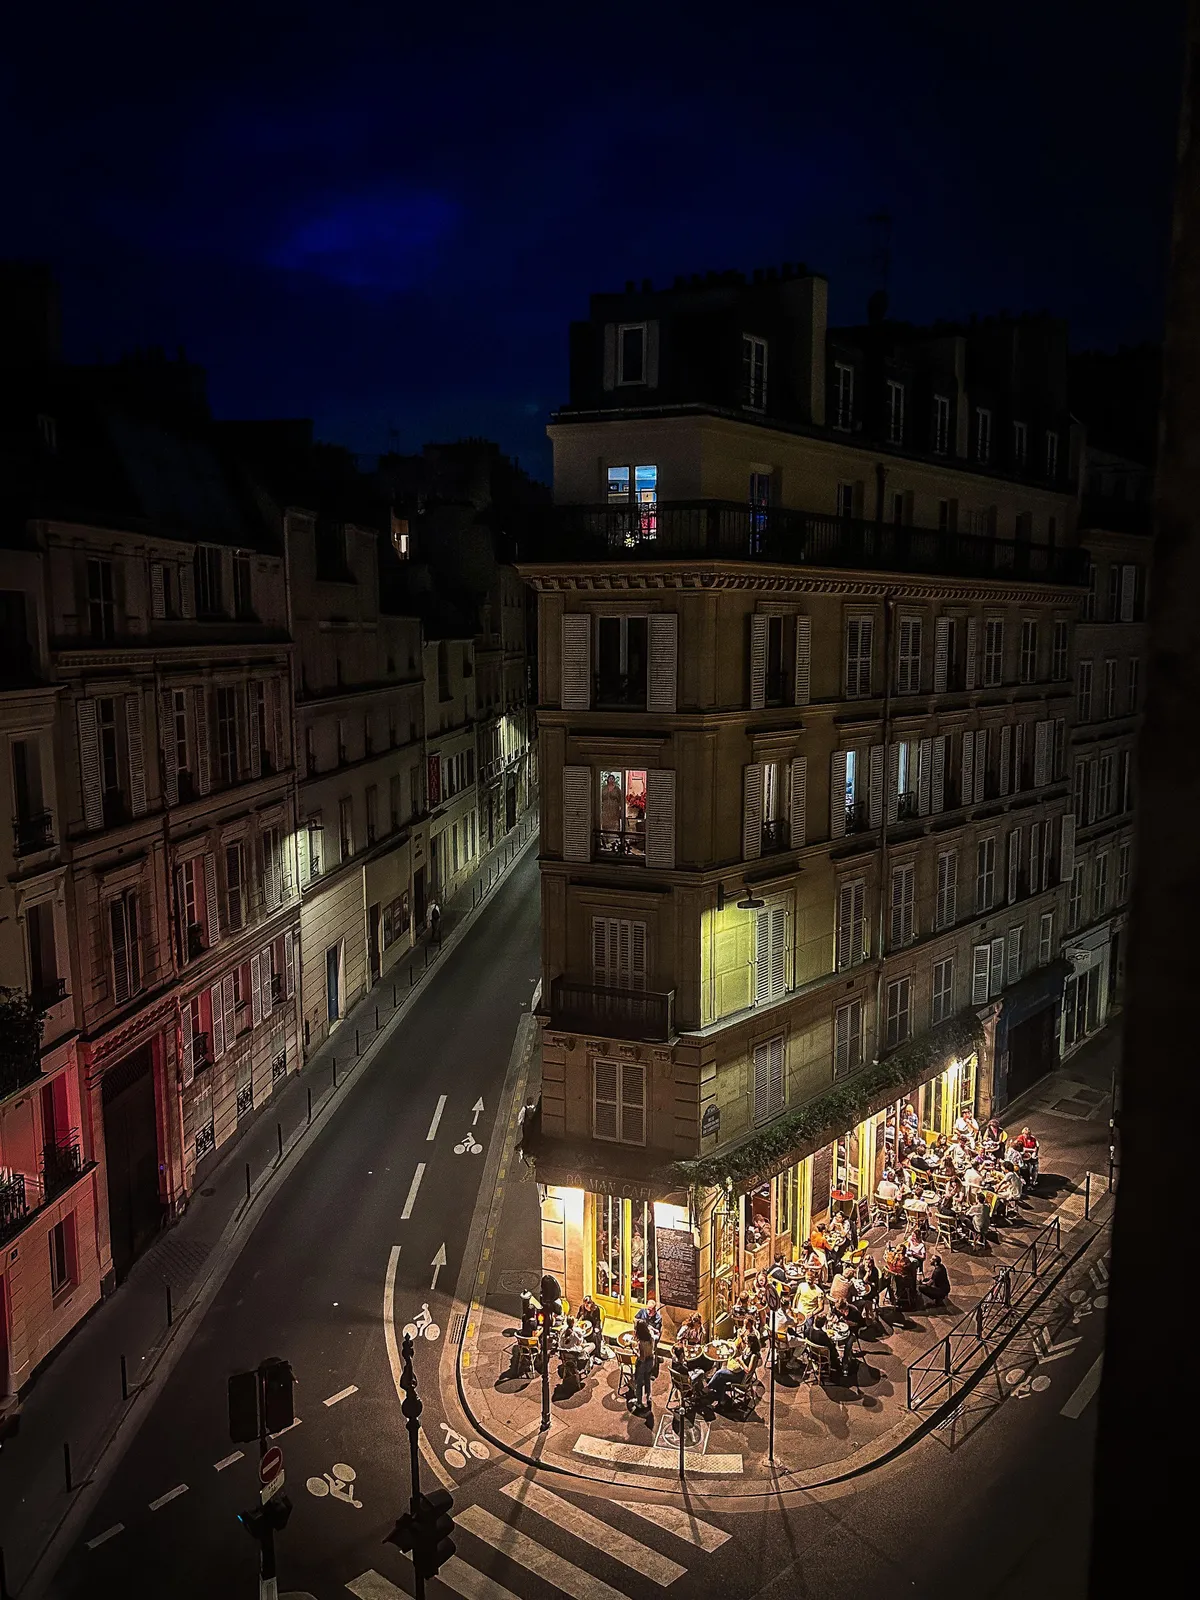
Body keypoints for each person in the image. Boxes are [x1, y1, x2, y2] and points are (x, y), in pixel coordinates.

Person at [801, 1310, 844, 1382]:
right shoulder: (822, 1335)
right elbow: (830, 1346)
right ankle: (837, 1370)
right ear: (824, 1324)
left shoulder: (808, 1330)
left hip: (812, 1353)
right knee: (834, 1351)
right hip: (823, 1356)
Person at [630, 1318, 655, 1413]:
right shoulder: (651, 1337)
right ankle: (648, 1397)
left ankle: (639, 1402)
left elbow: (642, 1358)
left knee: (639, 1383)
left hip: (643, 1364)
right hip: (651, 1361)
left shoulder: (641, 1343)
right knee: (647, 1379)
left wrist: (634, 1350)